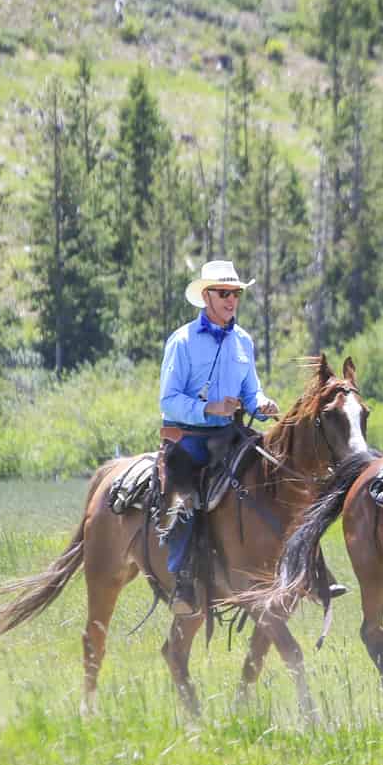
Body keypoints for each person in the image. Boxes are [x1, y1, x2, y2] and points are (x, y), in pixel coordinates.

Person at [157, 260, 277, 615]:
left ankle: (297, 570)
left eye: (236, 293)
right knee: (188, 501)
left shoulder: (243, 341)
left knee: (277, 479)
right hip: (189, 438)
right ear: (206, 296)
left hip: (230, 435)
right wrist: (210, 409)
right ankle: (182, 580)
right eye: (224, 293)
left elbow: (251, 392)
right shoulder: (182, 342)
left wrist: (262, 403)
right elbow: (168, 401)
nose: (231, 300)